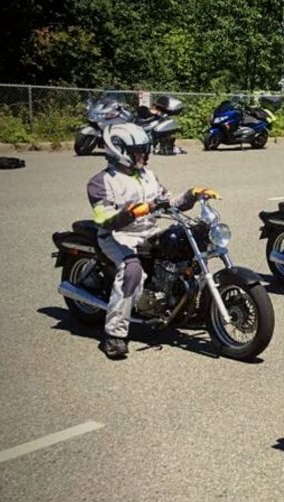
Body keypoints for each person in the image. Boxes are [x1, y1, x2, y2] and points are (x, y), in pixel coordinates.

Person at [86, 123, 217, 359]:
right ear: (120, 151)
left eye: (146, 150)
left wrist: (193, 194)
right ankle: (115, 334)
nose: (145, 156)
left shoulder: (148, 176)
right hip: (116, 236)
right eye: (139, 151)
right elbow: (104, 219)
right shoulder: (101, 182)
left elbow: (169, 202)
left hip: (147, 231)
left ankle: (187, 308)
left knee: (188, 247)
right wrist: (132, 213)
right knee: (131, 271)